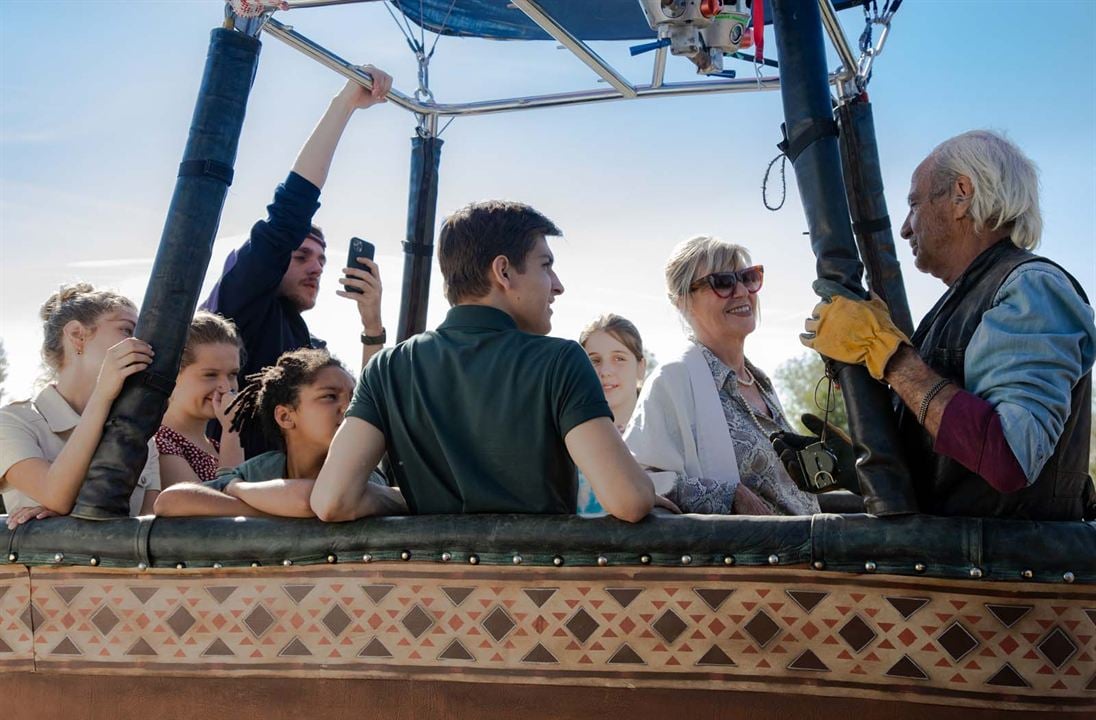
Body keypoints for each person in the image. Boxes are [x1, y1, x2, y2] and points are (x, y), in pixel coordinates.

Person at [798, 130, 1095, 520]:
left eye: (915, 204)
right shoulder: (965, 299)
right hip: (970, 561)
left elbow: (1009, 460)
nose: (906, 227)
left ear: (961, 194)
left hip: (1000, 574)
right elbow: (957, 472)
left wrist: (888, 354)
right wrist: (854, 467)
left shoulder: (1029, 287)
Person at [309, 200, 662, 523]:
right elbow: (628, 501)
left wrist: (410, 500)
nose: (557, 285)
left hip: (428, 591)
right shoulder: (560, 360)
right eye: (546, 266)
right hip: (538, 589)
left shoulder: (388, 368)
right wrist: (650, 493)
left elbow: (332, 501)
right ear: (503, 272)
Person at [201, 68, 393, 456]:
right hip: (241, 494)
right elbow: (289, 213)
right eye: (301, 255)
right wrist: (345, 105)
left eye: (321, 258)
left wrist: (371, 323)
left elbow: (358, 404)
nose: (317, 267)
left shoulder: (301, 339)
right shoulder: (240, 309)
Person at [625, 236, 820, 516]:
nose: (742, 291)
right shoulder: (673, 379)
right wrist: (729, 496)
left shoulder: (760, 382)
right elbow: (640, 481)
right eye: (724, 282)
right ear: (683, 301)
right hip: (752, 556)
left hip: (812, 550)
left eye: (748, 277)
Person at [153, 349, 398, 517]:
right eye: (329, 397)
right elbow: (170, 501)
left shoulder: (363, 476)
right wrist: (274, 509)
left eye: (352, 398)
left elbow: (308, 501)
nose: (347, 408)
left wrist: (237, 491)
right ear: (285, 416)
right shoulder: (259, 471)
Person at [0, 283, 159, 527]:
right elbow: (55, 496)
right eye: (127, 330)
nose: (139, 342)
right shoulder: (12, 422)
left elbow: (149, 526)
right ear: (77, 335)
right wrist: (102, 395)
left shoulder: (140, 430)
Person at [155, 312, 245, 487]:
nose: (226, 387)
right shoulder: (159, 443)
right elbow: (221, 508)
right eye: (210, 375)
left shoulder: (216, 446)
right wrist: (232, 431)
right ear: (173, 374)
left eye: (232, 374)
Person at [576, 314, 648, 515]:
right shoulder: (569, 443)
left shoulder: (664, 435)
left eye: (619, 358)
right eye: (595, 360)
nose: (606, 370)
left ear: (641, 367)